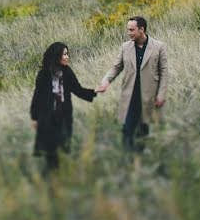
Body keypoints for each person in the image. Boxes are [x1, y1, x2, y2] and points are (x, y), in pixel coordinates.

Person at [96, 16, 167, 150]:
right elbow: (116, 67)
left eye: (131, 30)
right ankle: (127, 161)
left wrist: (161, 95)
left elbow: (164, 72)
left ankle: (139, 162)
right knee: (127, 131)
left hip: (148, 98)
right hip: (129, 97)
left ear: (142, 29)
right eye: (128, 29)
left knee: (143, 132)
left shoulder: (159, 47)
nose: (128, 33)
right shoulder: (125, 47)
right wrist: (105, 81)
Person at [30, 42, 97, 171]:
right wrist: (34, 117)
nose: (67, 57)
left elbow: (78, 90)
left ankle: (59, 176)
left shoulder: (67, 72)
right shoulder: (44, 75)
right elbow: (37, 96)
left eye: (67, 54)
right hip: (47, 117)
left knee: (62, 146)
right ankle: (51, 178)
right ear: (57, 56)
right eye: (65, 54)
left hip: (63, 116)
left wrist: (96, 93)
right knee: (50, 151)